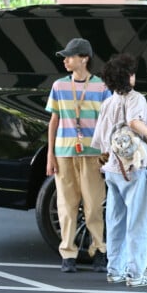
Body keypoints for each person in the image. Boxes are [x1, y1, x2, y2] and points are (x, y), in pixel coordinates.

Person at [91, 53, 147, 287]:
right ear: (127, 77)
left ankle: (115, 269)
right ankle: (135, 274)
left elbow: (100, 140)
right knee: (140, 220)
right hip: (135, 167)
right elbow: (133, 121)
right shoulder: (136, 99)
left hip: (112, 168)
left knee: (115, 219)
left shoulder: (108, 102)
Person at [45, 38, 111, 273]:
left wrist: (107, 152)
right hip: (65, 152)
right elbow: (54, 121)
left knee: (94, 205)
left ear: (84, 58)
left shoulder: (102, 87)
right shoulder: (59, 86)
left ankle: (99, 250)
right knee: (66, 204)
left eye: (70, 56)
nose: (65, 60)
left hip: (93, 154)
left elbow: (108, 123)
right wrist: (50, 155)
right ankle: (68, 253)